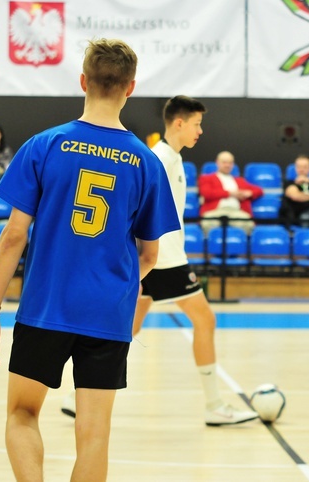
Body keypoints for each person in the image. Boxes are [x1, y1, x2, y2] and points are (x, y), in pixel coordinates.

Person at [0, 38, 180, 482]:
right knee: (94, 436)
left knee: (22, 414)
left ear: (83, 81)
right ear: (130, 88)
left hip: (46, 307)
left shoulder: (44, 145)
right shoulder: (147, 163)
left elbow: (13, 237)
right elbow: (149, 253)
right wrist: (117, 286)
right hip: (108, 314)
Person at [61, 95, 259, 426]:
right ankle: (214, 404)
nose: (200, 131)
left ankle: (75, 397)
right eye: (197, 124)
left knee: (126, 327)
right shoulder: (159, 160)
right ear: (179, 123)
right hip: (163, 258)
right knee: (205, 320)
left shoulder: (173, 159)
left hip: (155, 257)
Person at [198, 150, 263, 235]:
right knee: (208, 223)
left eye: (230, 163)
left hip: (236, 212)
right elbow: (207, 193)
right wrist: (230, 193)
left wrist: (249, 193)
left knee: (247, 223)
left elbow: (259, 190)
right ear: (217, 163)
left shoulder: (239, 181)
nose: (227, 165)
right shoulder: (206, 178)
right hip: (215, 211)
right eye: (224, 162)